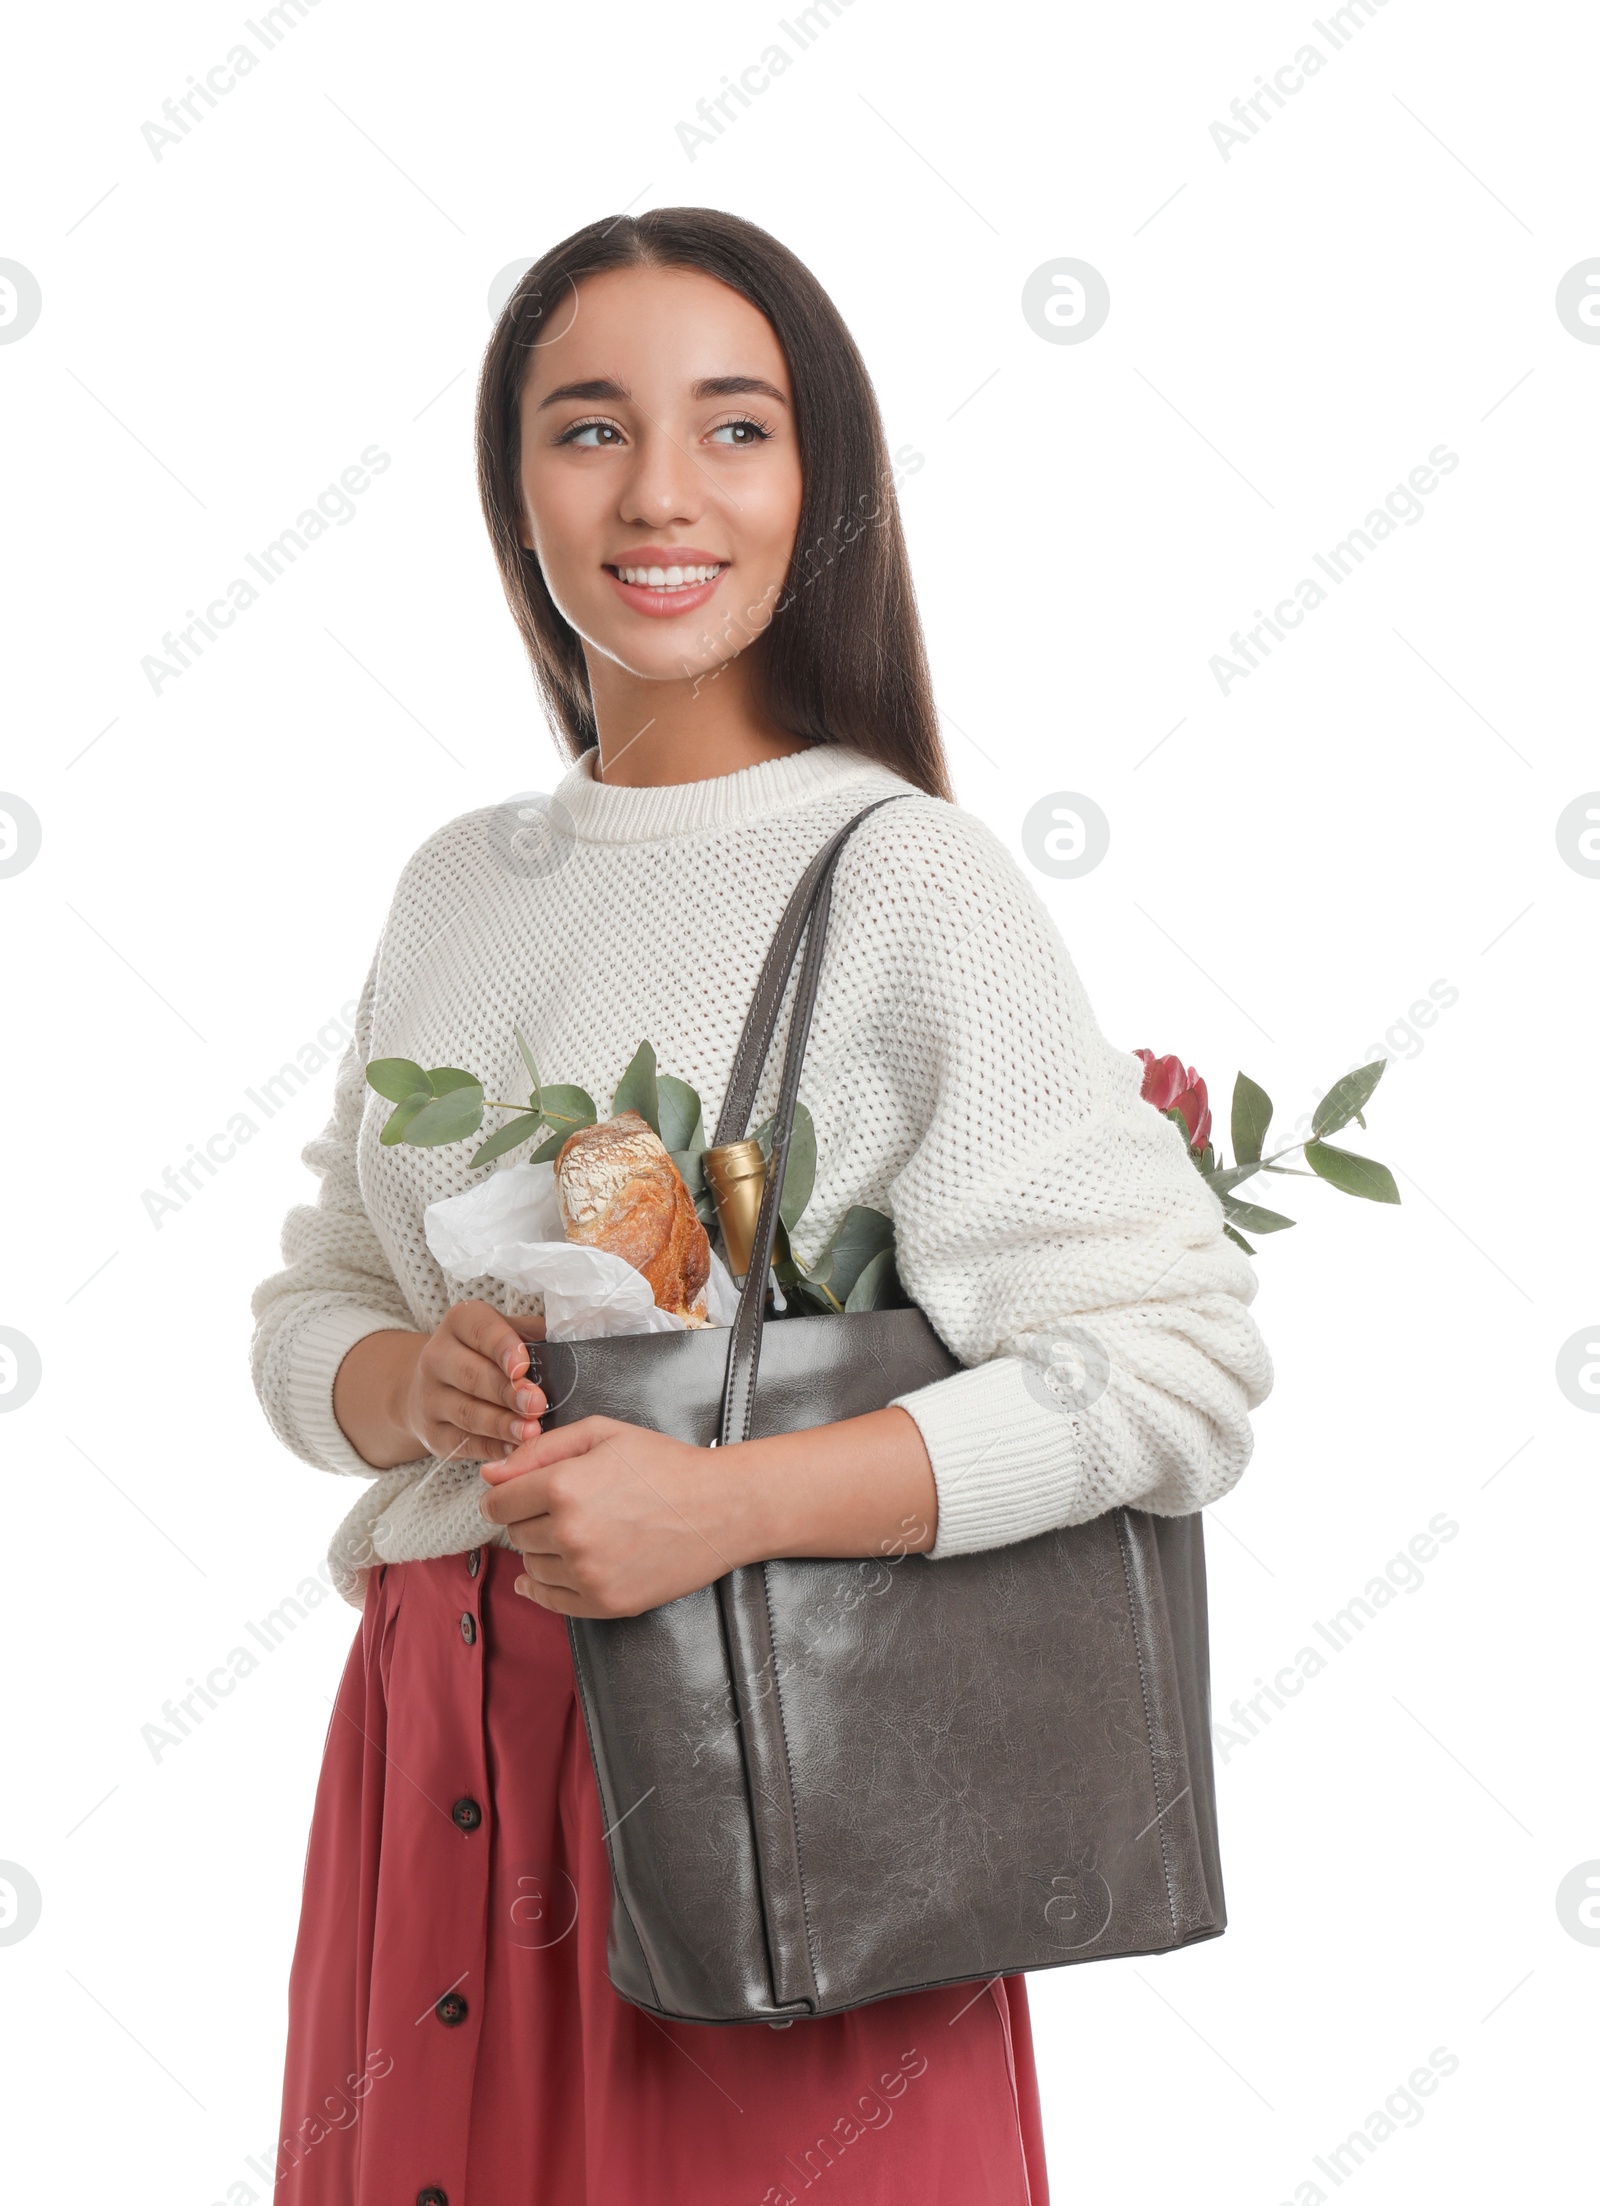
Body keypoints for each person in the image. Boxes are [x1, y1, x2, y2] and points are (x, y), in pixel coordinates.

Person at [250, 205, 1272, 2204]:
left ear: (816, 492)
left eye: (732, 427)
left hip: (762, 1776)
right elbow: (317, 1306)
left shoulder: (905, 879)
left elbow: (1170, 1371)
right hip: (431, 1770)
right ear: (509, 486)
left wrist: (718, 1498)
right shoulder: (454, 884)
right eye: (583, 428)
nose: (655, 492)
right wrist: (413, 1387)